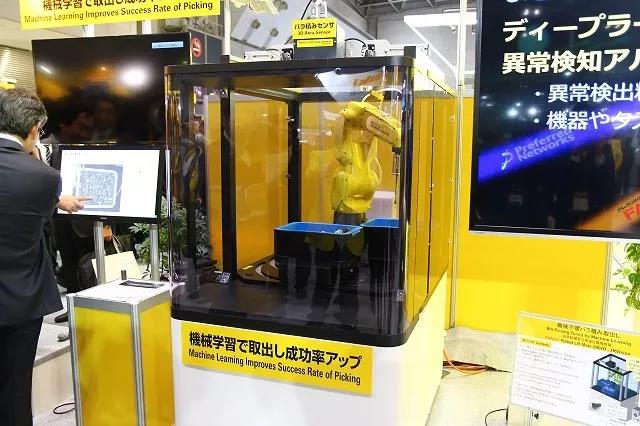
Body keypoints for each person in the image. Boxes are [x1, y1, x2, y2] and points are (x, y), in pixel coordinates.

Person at [0, 88, 79, 425]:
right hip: (21, 298)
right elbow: (41, 216)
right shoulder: (44, 178)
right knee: (15, 389)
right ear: (34, 129)